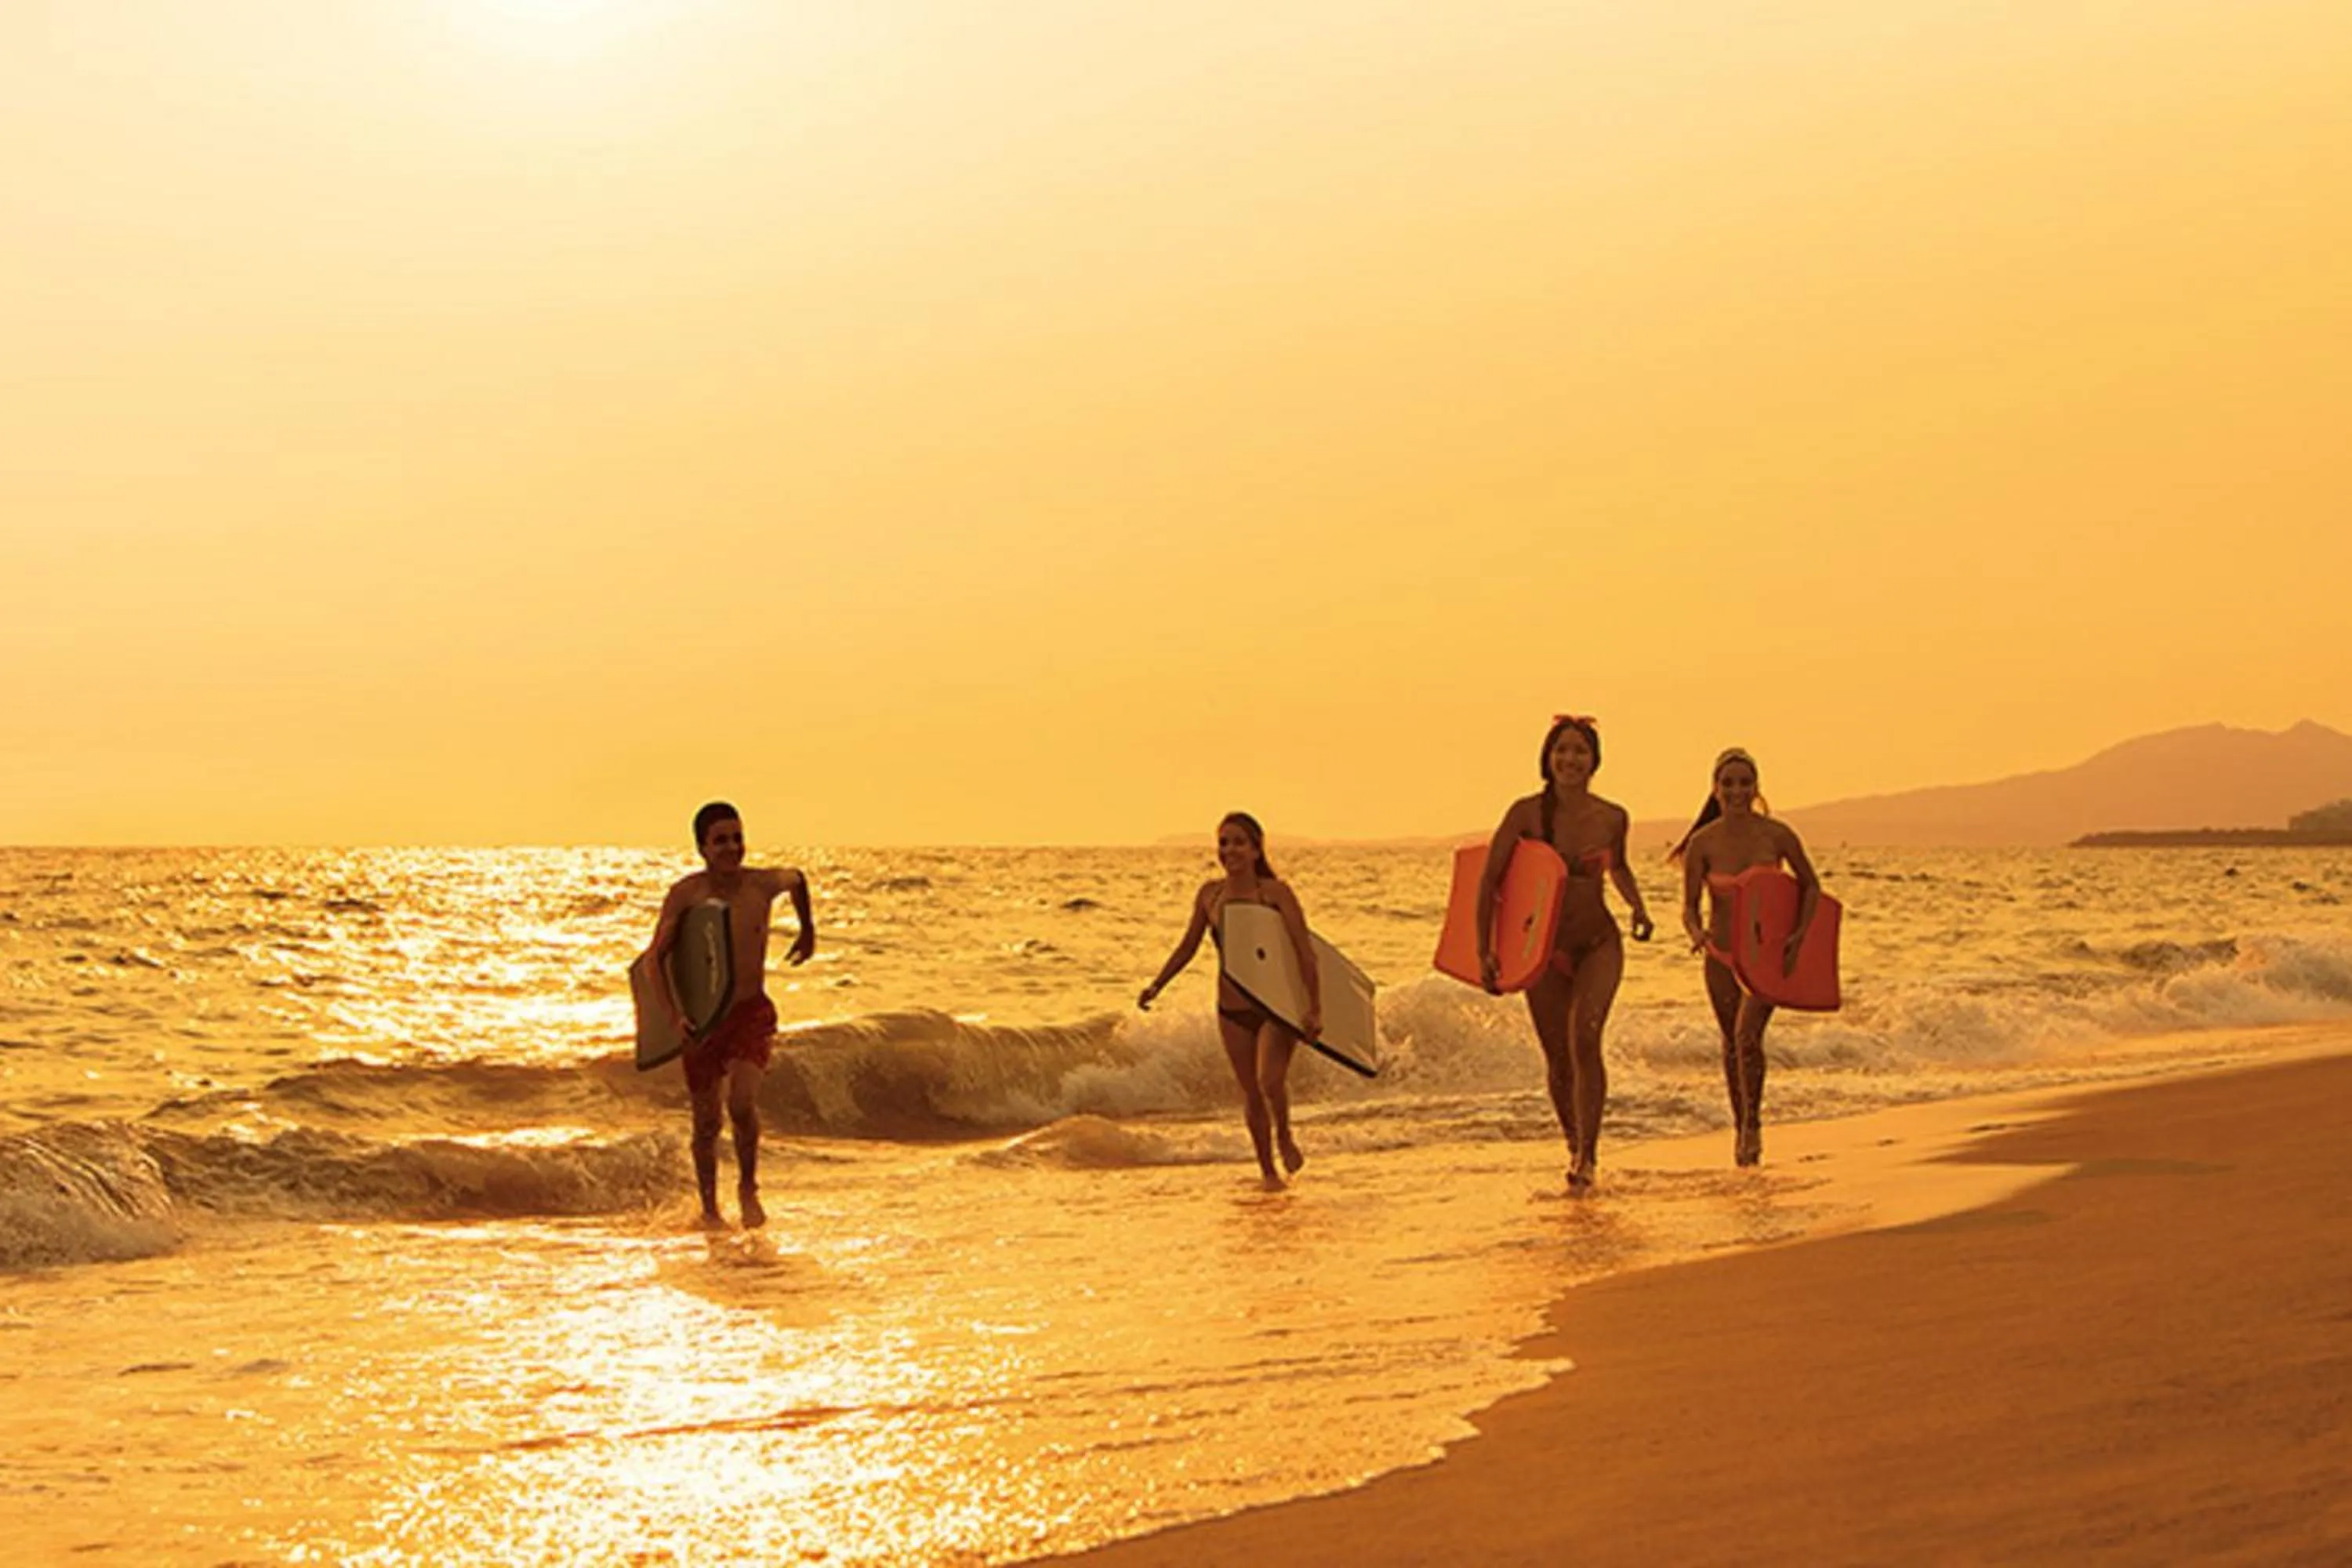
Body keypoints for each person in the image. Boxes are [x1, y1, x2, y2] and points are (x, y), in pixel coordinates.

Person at [1477, 715, 1654, 1192]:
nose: (1570, 759)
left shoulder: (1613, 817)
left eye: (1579, 751)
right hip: (1542, 950)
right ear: (1547, 758)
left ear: (1595, 760)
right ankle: (1573, 1142)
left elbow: (1618, 868)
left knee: (1585, 1037)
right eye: (1562, 750)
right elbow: (1489, 880)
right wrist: (1485, 950)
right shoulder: (1526, 814)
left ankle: (1589, 1156)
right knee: (1557, 1057)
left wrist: (1638, 908)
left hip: (1598, 941)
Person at [648, 800, 815, 1228]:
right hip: (703, 1021)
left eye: (738, 838)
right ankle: (709, 1210)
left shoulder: (761, 886)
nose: (732, 847)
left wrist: (807, 930)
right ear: (702, 847)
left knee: (741, 1103)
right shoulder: (687, 895)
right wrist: (673, 1020)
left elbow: (798, 879)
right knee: (706, 1123)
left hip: (750, 1013)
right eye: (721, 840)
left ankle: (748, 1187)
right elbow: (654, 962)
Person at [1138, 812, 1322, 1189]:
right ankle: (1268, 1173)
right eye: (1224, 842)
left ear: (1256, 850)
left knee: (1269, 1080)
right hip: (1232, 1009)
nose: (1229, 850)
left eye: (1239, 842)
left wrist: (1314, 1007)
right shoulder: (1211, 895)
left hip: (1276, 1006)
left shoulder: (1276, 893)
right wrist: (1157, 985)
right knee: (1251, 1093)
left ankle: (1284, 1134)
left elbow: (1305, 952)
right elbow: (1188, 946)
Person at [1671, 747, 1821, 1167]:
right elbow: (1688, 906)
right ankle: (1740, 1127)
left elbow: (1811, 886)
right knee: (1730, 1044)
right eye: (1728, 783)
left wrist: (1800, 935)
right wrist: (1695, 931)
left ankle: (1753, 1124)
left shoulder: (1777, 836)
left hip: (1767, 956)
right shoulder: (1703, 843)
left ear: (1756, 788)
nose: (1737, 791)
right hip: (1719, 955)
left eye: (1744, 782)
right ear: (1715, 789)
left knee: (1747, 1037)